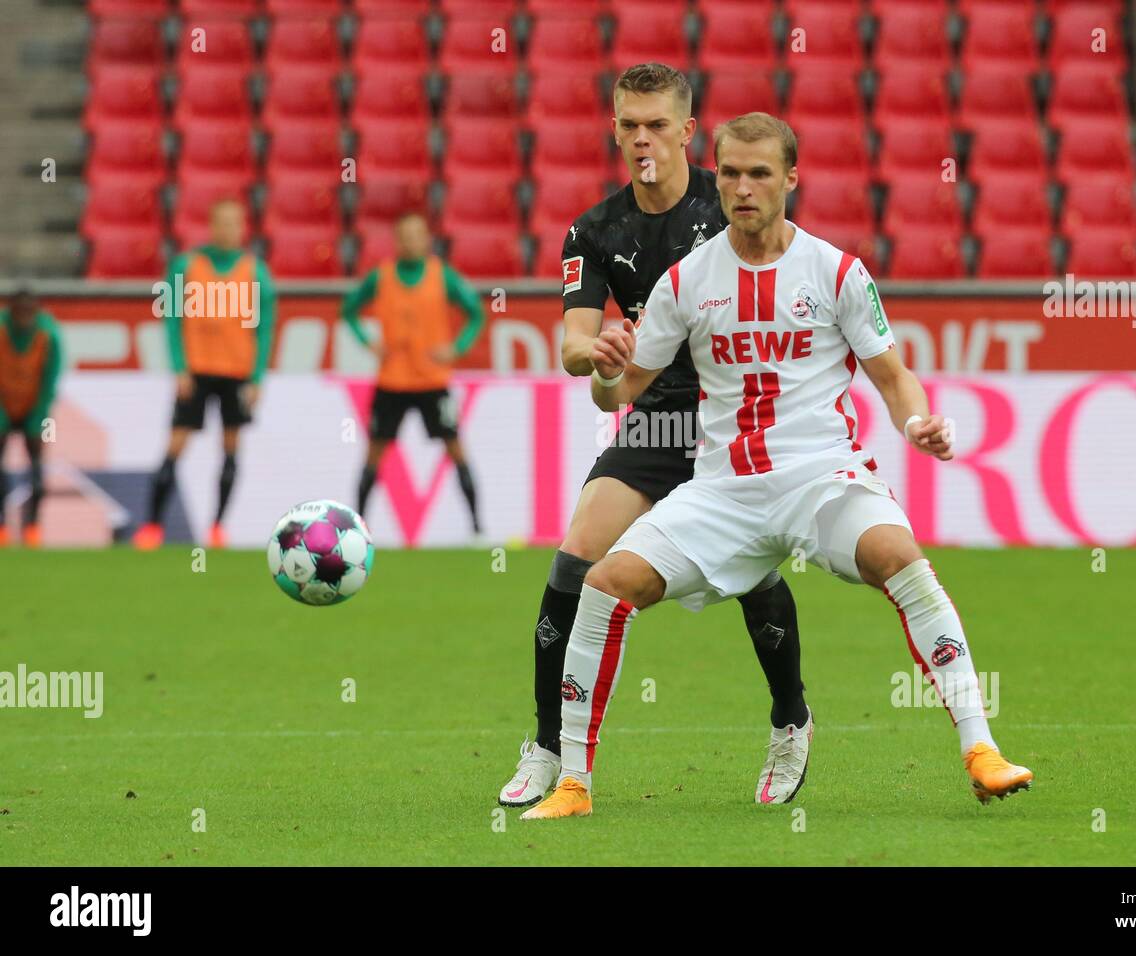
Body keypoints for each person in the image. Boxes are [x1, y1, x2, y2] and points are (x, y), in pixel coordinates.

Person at [522, 113, 1033, 820]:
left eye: (760, 173)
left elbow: (892, 376)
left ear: (791, 178)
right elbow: (622, 392)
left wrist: (917, 422)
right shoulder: (686, 282)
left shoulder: (836, 272)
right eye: (729, 172)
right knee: (604, 584)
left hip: (820, 479)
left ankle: (981, 750)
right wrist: (605, 374)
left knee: (899, 555)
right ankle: (573, 784)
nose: (742, 187)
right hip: (723, 491)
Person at [499, 65, 813, 810]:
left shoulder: (731, 197)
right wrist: (600, 349)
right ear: (615, 129)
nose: (642, 139)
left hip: (736, 419)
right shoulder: (596, 230)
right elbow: (574, 341)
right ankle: (547, 745)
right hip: (657, 419)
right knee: (576, 558)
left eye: (656, 125)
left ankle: (790, 720)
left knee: (756, 577)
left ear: (685, 132)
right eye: (628, 125)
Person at [134, 199, 276, 549]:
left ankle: (216, 528)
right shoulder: (186, 266)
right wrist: (179, 368)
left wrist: (257, 377)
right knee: (175, 445)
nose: (228, 230)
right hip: (195, 372)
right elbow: (171, 320)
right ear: (211, 226)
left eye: (235, 223)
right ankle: (152, 526)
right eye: (222, 223)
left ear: (243, 228)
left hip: (236, 374)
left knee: (230, 448)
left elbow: (265, 328)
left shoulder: (256, 272)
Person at [341, 211, 485, 533]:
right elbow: (348, 309)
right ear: (396, 241)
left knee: (455, 447)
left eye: (416, 235)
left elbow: (475, 313)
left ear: (426, 240)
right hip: (392, 381)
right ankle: (358, 529)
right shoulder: (381, 277)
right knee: (374, 453)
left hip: (432, 381)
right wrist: (367, 340)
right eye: (404, 236)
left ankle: (477, 529)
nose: (410, 242)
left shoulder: (441, 275)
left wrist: (456, 347)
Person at [0, 289, 62, 547]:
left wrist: (38, 416)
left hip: (35, 407)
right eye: (20, 314)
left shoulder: (49, 335)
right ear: (12, 313)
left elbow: (50, 381)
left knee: (37, 466)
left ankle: (32, 527)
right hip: (3, 404)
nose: (25, 320)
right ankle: (2, 527)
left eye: (29, 314)